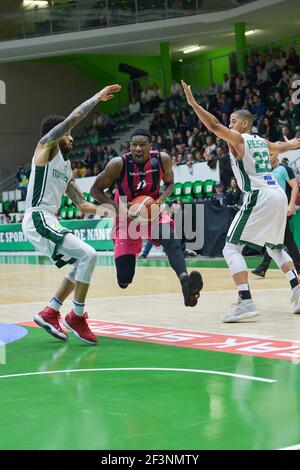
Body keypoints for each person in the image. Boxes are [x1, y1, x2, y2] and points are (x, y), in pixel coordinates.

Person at [182, 79, 300, 322]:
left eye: (233, 121)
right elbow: (278, 146)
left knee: (230, 247)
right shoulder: (260, 140)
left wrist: (193, 104)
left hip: (259, 194)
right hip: (277, 193)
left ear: (245, 124)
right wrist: (291, 144)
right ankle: (298, 290)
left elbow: (213, 125)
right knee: (275, 248)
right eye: (230, 122)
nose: (229, 125)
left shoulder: (240, 139)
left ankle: (245, 301)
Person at [22, 84, 121, 344]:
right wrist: (97, 98)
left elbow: (82, 205)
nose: (72, 139)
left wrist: (117, 212)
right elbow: (73, 119)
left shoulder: (66, 168)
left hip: (48, 220)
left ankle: (51, 311)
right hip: (37, 217)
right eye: (69, 135)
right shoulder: (46, 148)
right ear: (60, 134)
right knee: (89, 254)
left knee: (81, 261)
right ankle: (76, 316)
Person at [90, 129, 203, 307]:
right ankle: (125, 272)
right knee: (124, 279)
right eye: (134, 145)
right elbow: (95, 191)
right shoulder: (118, 164)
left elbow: (170, 183)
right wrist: (120, 209)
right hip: (126, 216)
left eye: (142, 145)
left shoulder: (162, 160)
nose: (137, 149)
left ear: (150, 146)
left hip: (151, 212)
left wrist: (161, 199)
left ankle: (185, 284)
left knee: (170, 239)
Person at [252, 154, 300, 276]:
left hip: (283, 208)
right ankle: (262, 268)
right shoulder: (266, 171)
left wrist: (291, 204)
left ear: (277, 155)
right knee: (279, 238)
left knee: (278, 237)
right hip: (272, 210)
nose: (268, 158)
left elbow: (295, 187)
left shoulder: (284, 169)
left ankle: (262, 268)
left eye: (271, 155)